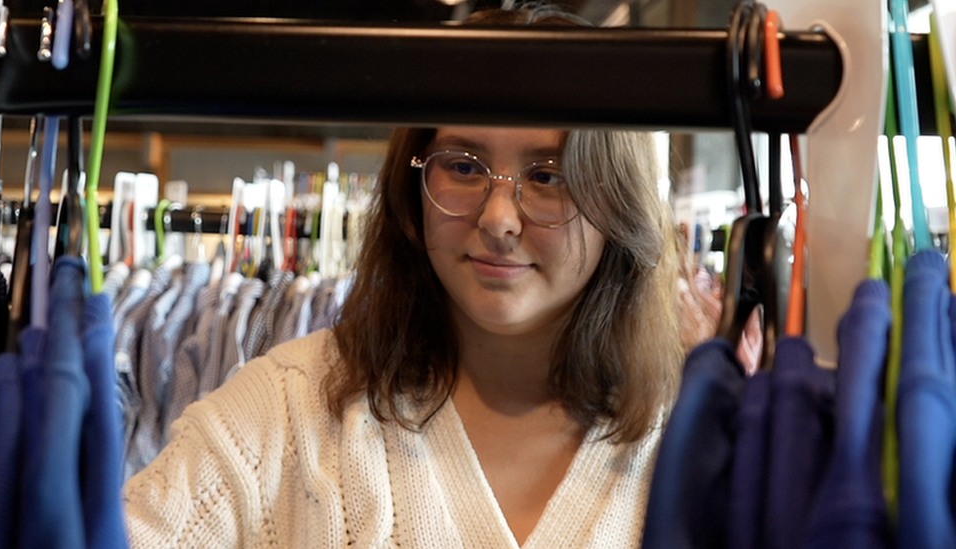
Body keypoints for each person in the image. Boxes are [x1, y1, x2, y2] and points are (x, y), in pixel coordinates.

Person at [122, 5, 685, 548]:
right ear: (412, 188)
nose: (497, 218)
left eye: (548, 176)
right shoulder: (282, 413)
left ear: (617, 205)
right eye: (463, 167)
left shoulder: (689, 441)